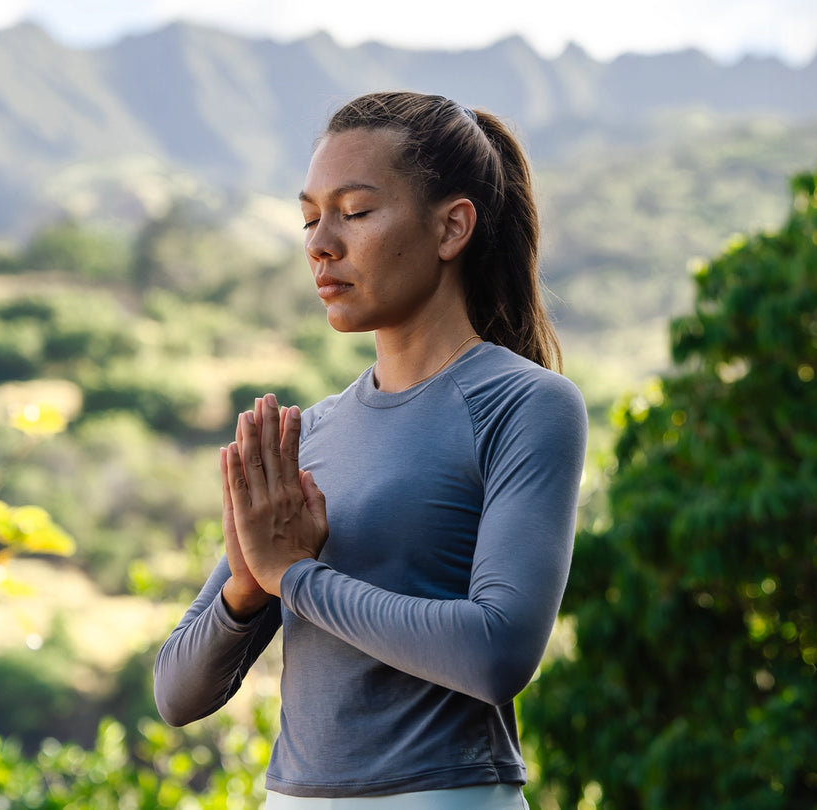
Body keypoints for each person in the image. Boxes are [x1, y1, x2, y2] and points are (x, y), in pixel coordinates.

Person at [153, 91, 588, 809]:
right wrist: (249, 584)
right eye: (309, 217)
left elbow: (497, 652)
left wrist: (294, 576)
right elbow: (176, 693)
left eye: (354, 212)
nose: (321, 243)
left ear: (452, 228)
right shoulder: (310, 435)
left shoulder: (525, 403)